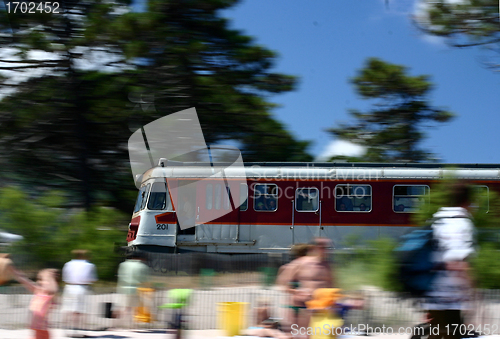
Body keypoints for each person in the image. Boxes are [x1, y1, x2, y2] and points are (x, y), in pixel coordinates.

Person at [424, 183, 476, 339]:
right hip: (450, 297)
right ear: (467, 202)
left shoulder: (437, 220)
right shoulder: (461, 223)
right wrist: (473, 291)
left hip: (432, 292)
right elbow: (456, 261)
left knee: (437, 334)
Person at [279, 238, 335, 338]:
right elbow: (283, 283)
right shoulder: (300, 263)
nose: (325, 250)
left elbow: (333, 286)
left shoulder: (328, 266)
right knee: (295, 335)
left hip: (319, 307)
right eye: (322, 247)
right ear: (314, 248)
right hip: (300, 307)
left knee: (313, 335)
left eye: (326, 247)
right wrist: (297, 292)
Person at [11, 266, 59, 339]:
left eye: (42, 280)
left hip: (42, 329)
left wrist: (48, 276)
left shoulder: (51, 294)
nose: (39, 282)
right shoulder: (38, 291)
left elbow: (53, 288)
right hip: (36, 328)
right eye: (39, 279)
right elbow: (25, 281)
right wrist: (14, 271)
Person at [61, 249, 97, 338]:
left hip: (69, 287)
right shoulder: (89, 265)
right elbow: (92, 278)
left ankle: (67, 329)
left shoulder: (68, 264)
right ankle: (77, 330)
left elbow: (65, 277)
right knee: (79, 310)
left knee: (68, 309)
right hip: (81, 288)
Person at [116, 251, 150, 329]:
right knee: (135, 308)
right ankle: (131, 325)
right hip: (136, 289)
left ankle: (122, 323)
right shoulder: (142, 266)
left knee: (125, 307)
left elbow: (120, 276)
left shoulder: (123, 265)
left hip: (123, 288)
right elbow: (145, 280)